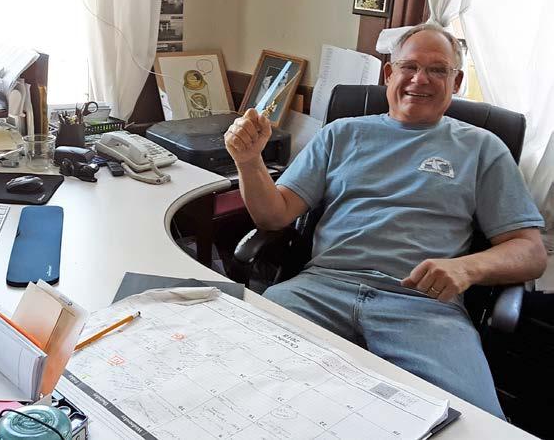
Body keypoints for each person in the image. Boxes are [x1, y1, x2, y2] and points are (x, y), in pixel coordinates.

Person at [223, 22, 548, 418]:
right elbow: (274, 216)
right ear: (389, 74)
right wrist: (249, 162)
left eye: (438, 69)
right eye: (409, 67)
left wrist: (467, 268)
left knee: (474, 424)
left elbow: (531, 251)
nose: (420, 79)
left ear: (457, 81)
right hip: (320, 290)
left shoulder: (482, 148)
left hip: (424, 309)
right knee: (233, 377)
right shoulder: (340, 134)